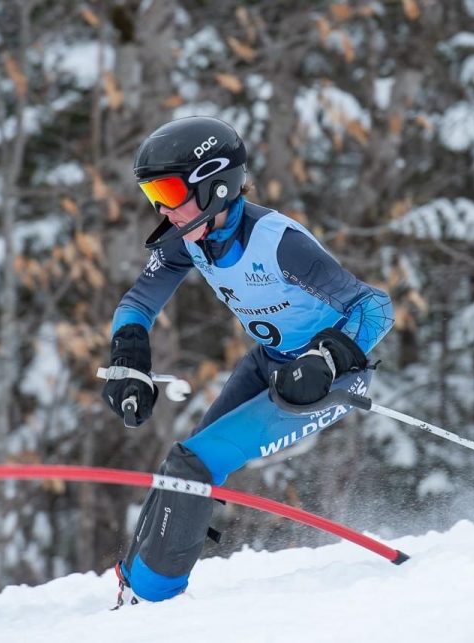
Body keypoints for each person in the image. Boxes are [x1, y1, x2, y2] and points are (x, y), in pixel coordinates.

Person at [102, 116, 394, 605]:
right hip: (271, 363)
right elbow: (138, 302)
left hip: (333, 379)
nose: (163, 209)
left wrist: (326, 359)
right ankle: (139, 586)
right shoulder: (187, 240)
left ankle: (155, 600)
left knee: (194, 463)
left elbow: (374, 307)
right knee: (188, 458)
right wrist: (128, 359)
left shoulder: (277, 242)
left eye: (171, 193)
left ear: (215, 186)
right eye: (154, 195)